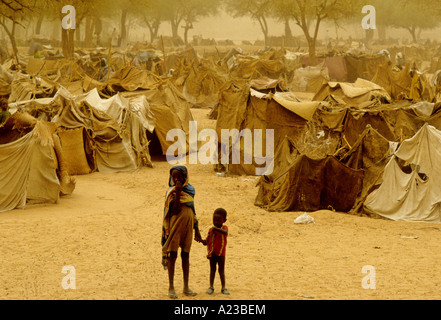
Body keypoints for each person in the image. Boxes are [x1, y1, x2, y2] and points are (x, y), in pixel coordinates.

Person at [161, 165, 203, 299]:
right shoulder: (171, 192)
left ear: (185, 176)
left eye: (179, 176)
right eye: (174, 177)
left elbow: (193, 209)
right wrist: (178, 192)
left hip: (188, 225)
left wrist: (196, 229)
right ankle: (171, 287)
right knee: (173, 255)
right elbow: (175, 210)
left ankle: (186, 286)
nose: (177, 179)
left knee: (186, 255)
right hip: (175, 225)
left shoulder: (190, 190)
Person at [201, 208, 230, 295]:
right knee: (212, 270)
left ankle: (223, 287)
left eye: (218, 220)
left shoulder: (224, 228)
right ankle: (211, 286)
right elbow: (207, 241)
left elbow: (224, 232)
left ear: (224, 220)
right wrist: (201, 240)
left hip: (221, 254)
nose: (216, 222)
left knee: (221, 271)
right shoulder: (211, 230)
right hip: (212, 254)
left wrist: (216, 229)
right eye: (214, 220)